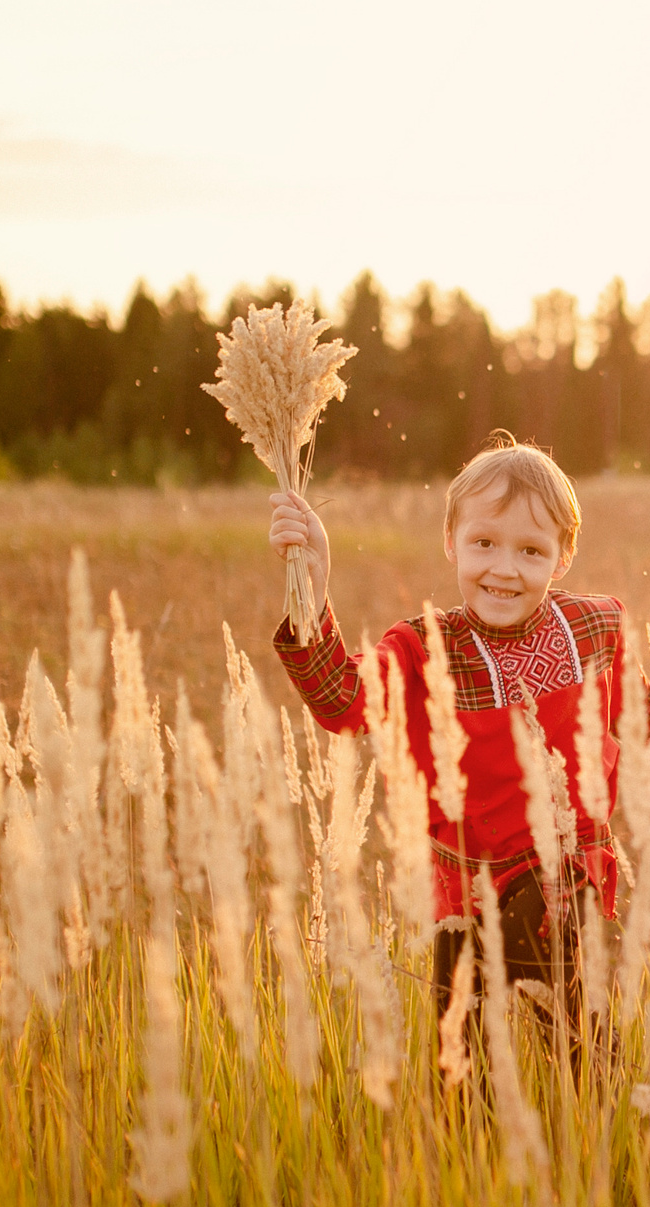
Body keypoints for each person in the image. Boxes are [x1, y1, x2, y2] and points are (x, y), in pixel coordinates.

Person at [268, 433, 627, 1020]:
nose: (504, 570)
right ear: (451, 542)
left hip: (558, 871)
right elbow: (343, 703)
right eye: (484, 542)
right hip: (463, 889)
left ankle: (596, 1097)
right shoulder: (424, 649)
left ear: (563, 556)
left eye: (531, 551)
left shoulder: (593, 626)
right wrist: (311, 583)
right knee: (460, 1065)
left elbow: (633, 707)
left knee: (574, 1040)